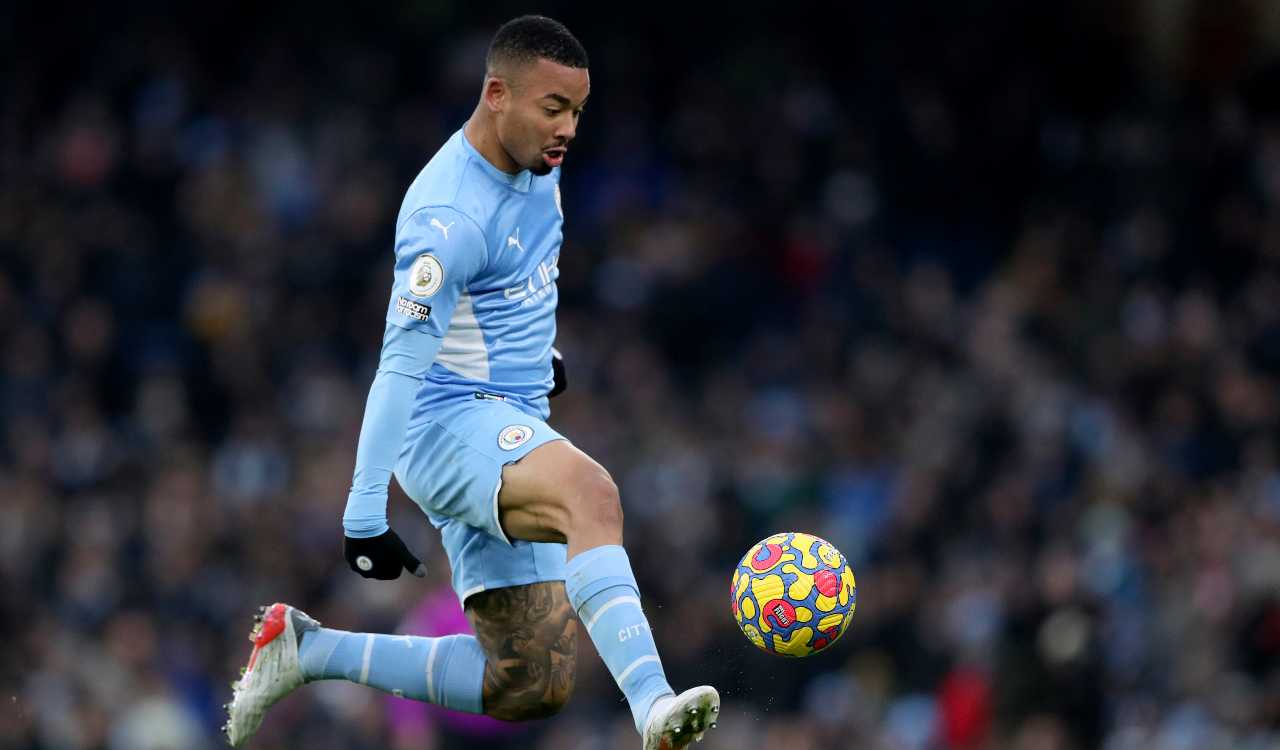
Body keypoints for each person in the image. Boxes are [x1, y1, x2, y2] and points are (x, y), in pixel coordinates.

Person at [224, 15, 719, 750]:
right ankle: (654, 706)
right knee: (592, 496)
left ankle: (308, 650)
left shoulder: (538, 162)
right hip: (448, 424)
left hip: (505, 414)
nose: (568, 128)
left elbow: (507, 287)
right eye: (553, 107)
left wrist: (537, 358)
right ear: (496, 95)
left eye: (578, 110)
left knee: (529, 680)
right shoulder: (447, 218)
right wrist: (364, 514)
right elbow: (399, 367)